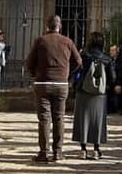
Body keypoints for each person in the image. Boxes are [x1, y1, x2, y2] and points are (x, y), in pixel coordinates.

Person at [25, 15, 82, 163]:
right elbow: (78, 61)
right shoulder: (68, 42)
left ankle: (43, 152)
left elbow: (29, 62)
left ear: (47, 26)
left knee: (44, 118)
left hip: (42, 83)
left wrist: (35, 73)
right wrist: (67, 73)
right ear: (60, 26)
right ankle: (58, 152)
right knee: (59, 118)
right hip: (61, 84)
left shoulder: (40, 41)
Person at [73, 32, 113, 159]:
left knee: (83, 120)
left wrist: (76, 85)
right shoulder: (107, 58)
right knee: (98, 121)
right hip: (99, 94)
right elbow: (113, 77)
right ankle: (96, 149)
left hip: (83, 92)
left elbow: (76, 71)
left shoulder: (84, 56)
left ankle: (83, 149)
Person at [108, 45, 122, 114]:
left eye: (113, 50)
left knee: (119, 89)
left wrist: (118, 84)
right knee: (107, 89)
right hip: (111, 81)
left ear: (117, 51)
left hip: (120, 81)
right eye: (110, 50)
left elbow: (121, 74)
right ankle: (111, 108)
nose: (111, 52)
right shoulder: (109, 60)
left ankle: (121, 108)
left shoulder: (121, 60)